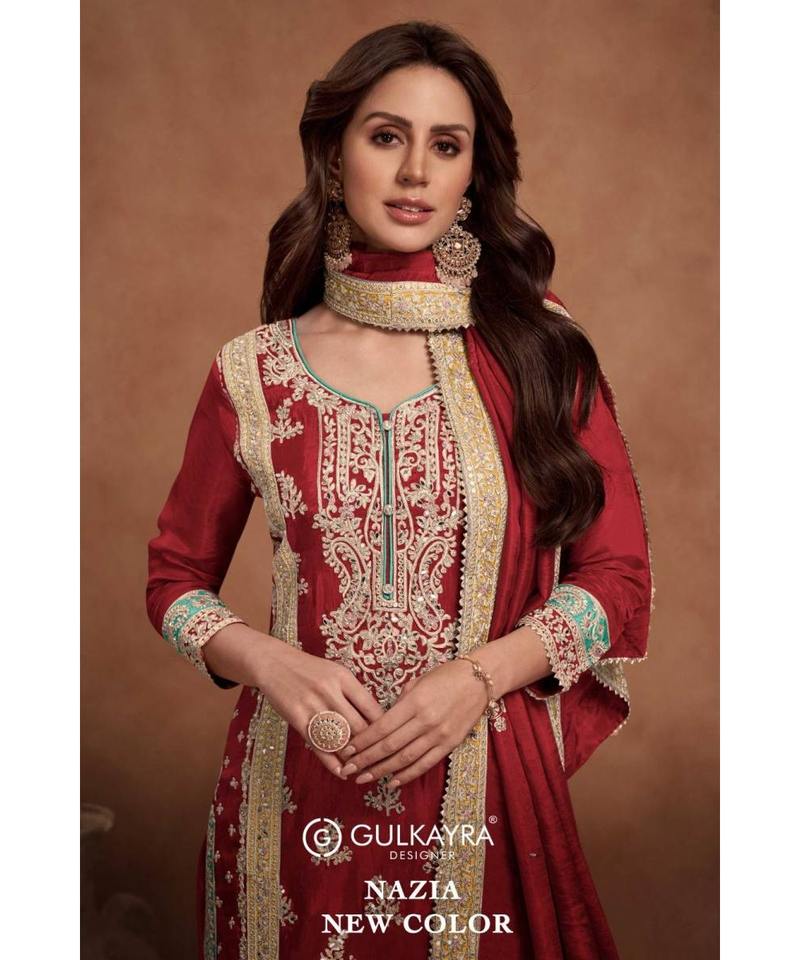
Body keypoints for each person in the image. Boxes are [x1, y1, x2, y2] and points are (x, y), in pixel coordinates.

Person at [145, 21, 654, 960]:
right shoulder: (254, 371)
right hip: (297, 793)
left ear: (473, 176)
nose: (416, 171)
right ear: (335, 154)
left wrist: (478, 679)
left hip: (485, 782)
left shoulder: (541, 351)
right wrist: (268, 662)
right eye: (387, 137)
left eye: (446, 146)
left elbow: (616, 580)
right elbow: (174, 583)